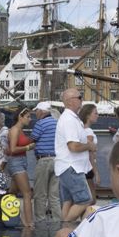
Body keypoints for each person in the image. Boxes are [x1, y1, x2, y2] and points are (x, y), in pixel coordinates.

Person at [55, 89, 96, 221]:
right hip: (72, 167)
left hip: (67, 167)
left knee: (68, 201)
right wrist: (89, 145)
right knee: (85, 200)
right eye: (79, 97)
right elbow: (73, 147)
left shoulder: (72, 118)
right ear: (69, 101)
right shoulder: (69, 120)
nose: (82, 99)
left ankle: (63, 233)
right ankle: (66, 228)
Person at [30, 102, 61, 222]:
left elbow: (32, 139)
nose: (36, 113)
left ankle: (40, 221)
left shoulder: (40, 123)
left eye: (36, 111)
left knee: (40, 194)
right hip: (56, 160)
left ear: (40, 112)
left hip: (44, 160)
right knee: (54, 195)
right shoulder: (57, 123)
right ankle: (58, 221)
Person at [7, 106, 35, 226]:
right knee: (27, 193)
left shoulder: (20, 130)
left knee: (12, 193)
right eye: (28, 117)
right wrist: (28, 147)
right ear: (20, 117)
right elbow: (13, 149)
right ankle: (29, 222)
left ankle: (5, 214)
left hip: (21, 162)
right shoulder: (15, 130)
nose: (30, 119)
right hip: (16, 162)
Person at [78, 103, 101, 203]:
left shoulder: (80, 129)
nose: (97, 116)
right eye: (95, 113)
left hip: (81, 166)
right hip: (87, 168)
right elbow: (90, 154)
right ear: (88, 116)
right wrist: (97, 174)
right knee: (92, 200)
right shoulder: (88, 131)